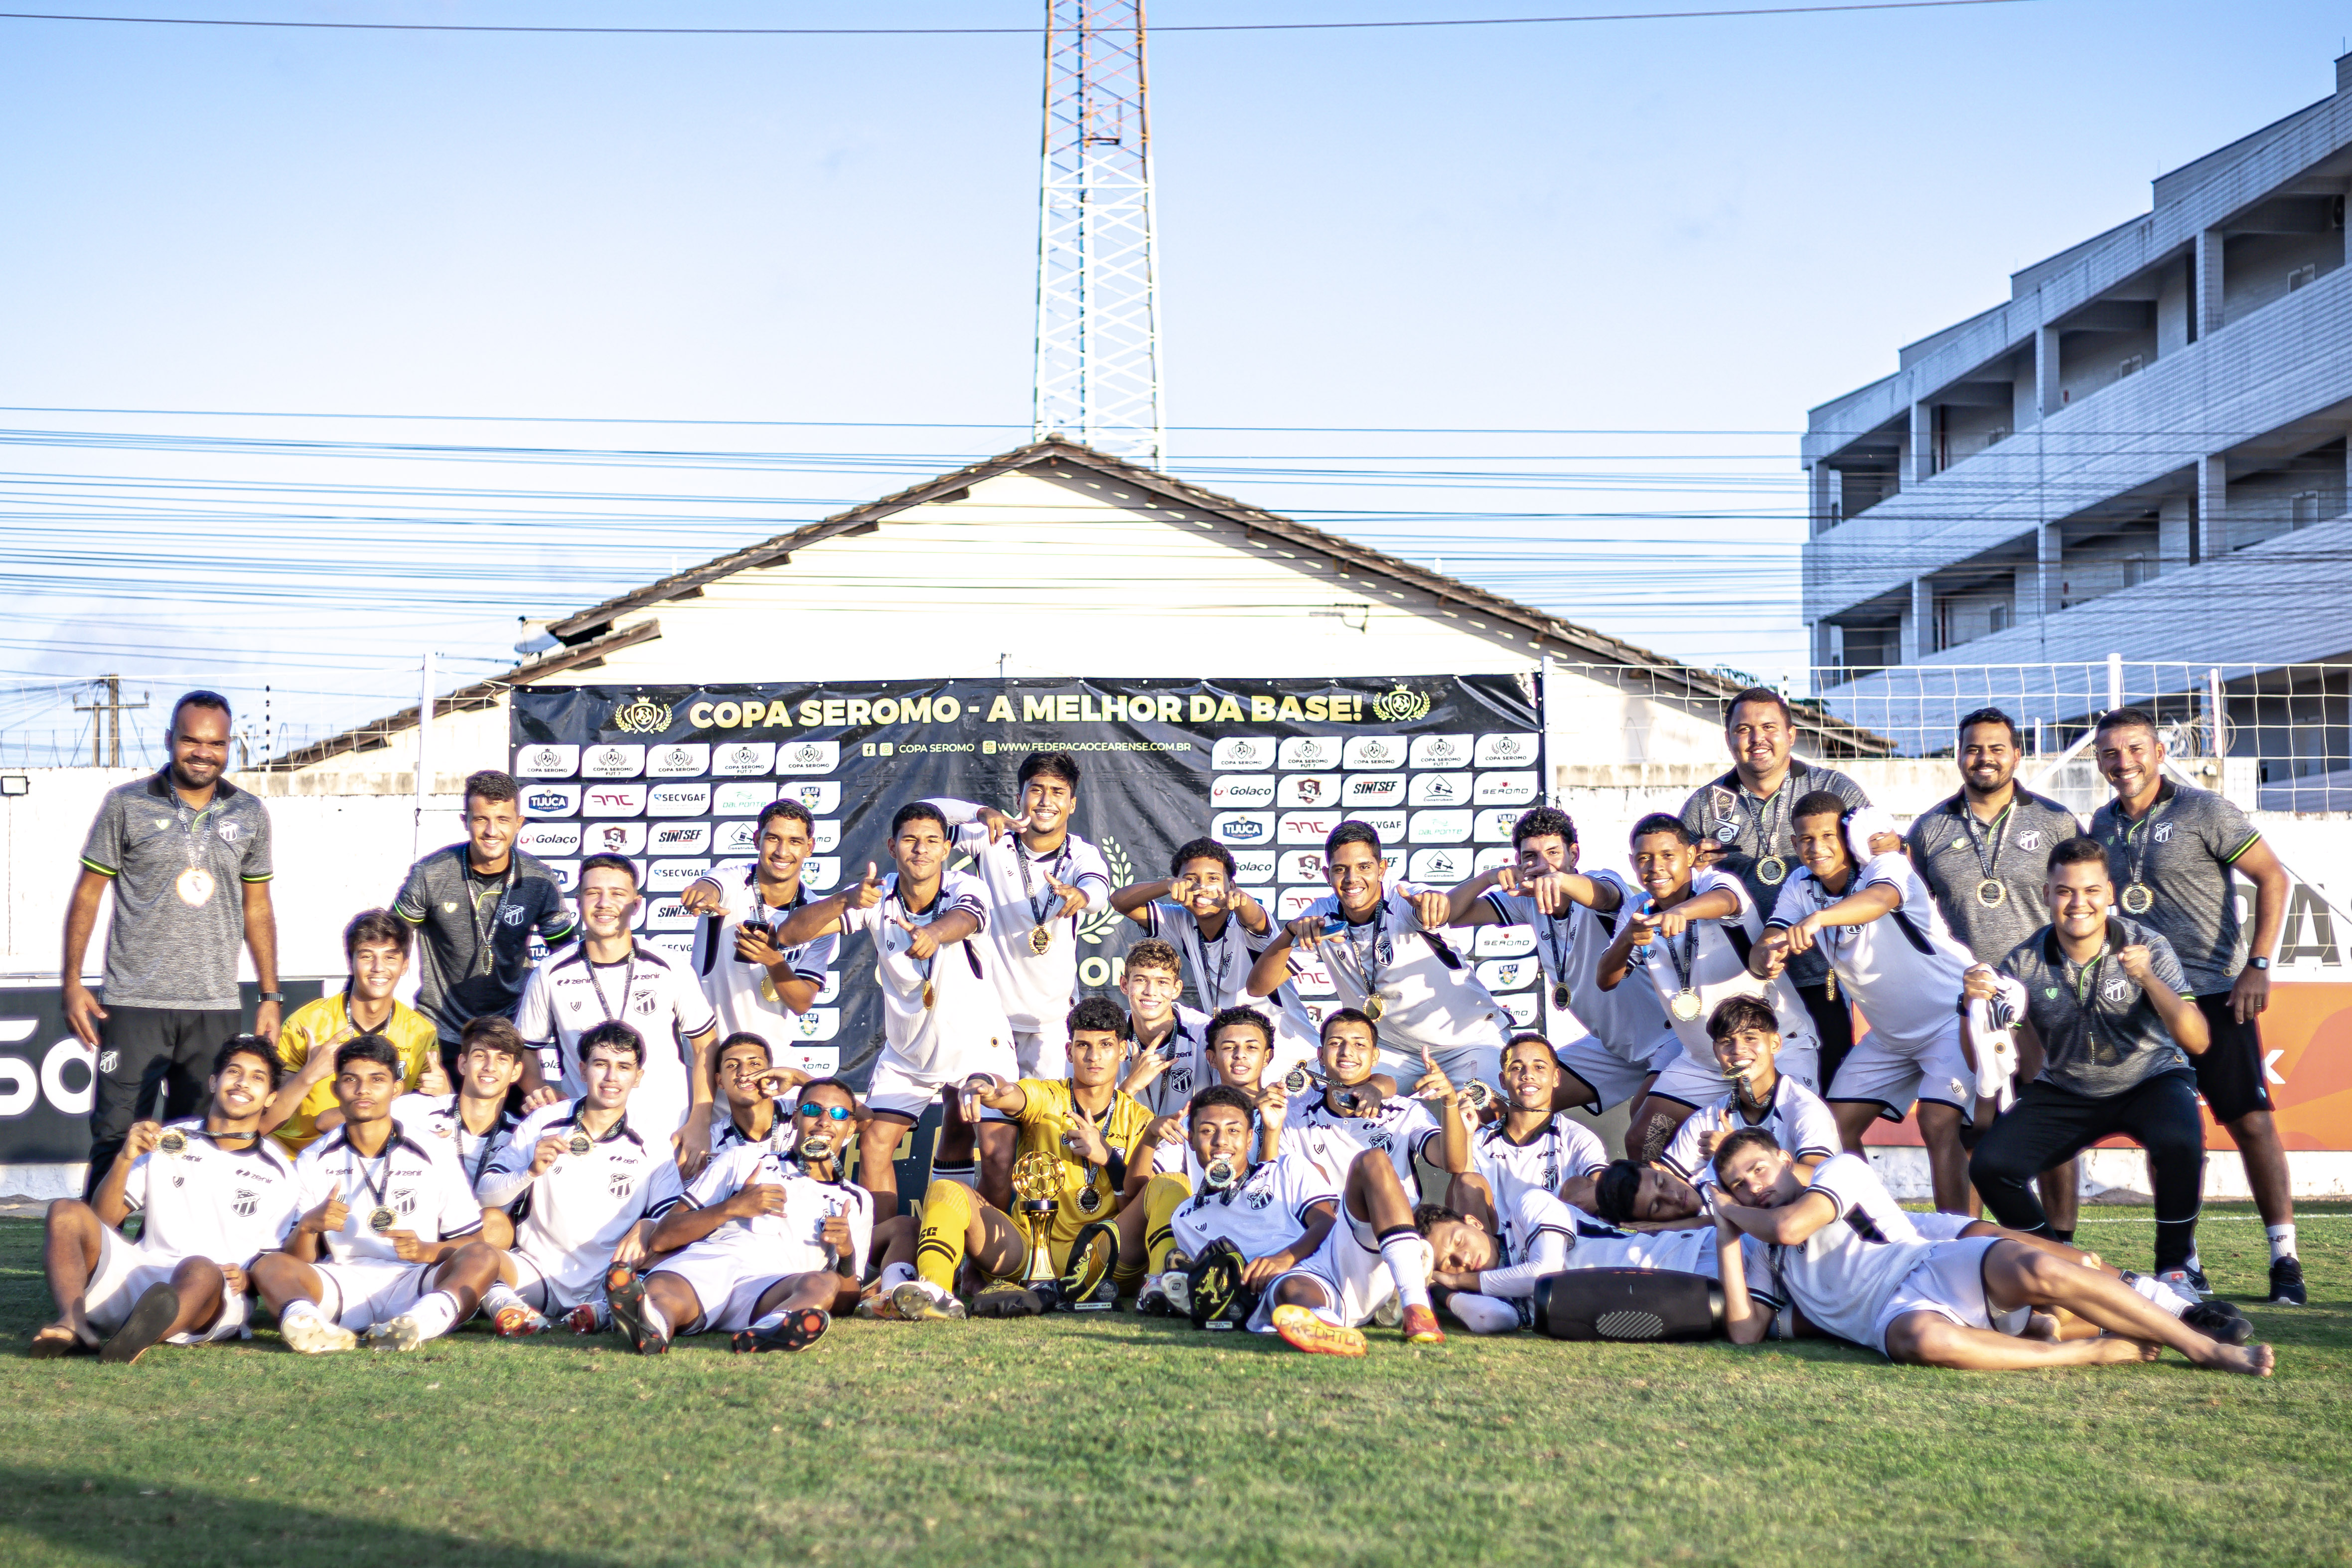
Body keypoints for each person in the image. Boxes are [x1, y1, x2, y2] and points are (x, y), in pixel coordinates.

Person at [1714, 1127, 2270, 1374]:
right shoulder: (1763, 1250)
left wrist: (1726, 1210)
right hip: (1896, 1316)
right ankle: (2083, 1349)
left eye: (1758, 1170)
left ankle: (2199, 1345)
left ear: (1785, 1159)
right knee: (1920, 1341)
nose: (1752, 1186)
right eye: (1738, 1184)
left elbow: (1789, 1226)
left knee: (2035, 1263)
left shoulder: (1837, 1171)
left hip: (1927, 1267)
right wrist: (1725, 1238)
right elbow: (1743, 1332)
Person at [2087, 707, 2301, 1306]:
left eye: (2133, 749)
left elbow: (2272, 878)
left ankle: (2284, 1258)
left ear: (2157, 752)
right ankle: (2185, 1261)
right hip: (2146, 1001)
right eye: (2109, 753)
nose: (2122, 762)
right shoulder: (2099, 824)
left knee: (2250, 1121)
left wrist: (2257, 965)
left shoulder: (2203, 810)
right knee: (2170, 1132)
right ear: (2099, 761)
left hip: (2215, 992)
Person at [1964, 837, 2213, 1294]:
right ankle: (2057, 1262)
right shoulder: (2021, 961)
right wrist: (1972, 1008)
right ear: (2046, 895)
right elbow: (1980, 1054)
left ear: (2111, 893)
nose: (2079, 903)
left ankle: (2177, 1266)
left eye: (2091, 890)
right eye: (2064, 891)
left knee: (2181, 1140)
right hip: (2068, 1088)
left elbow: (2197, 1040)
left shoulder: (2147, 945)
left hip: (2150, 1079)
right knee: (1990, 1165)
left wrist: (2149, 979)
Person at [63, 690, 281, 1195]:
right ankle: (100, 1258)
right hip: (134, 1003)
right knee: (117, 1135)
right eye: (191, 740)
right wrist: (73, 983)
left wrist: (269, 995)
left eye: (216, 743)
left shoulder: (250, 813)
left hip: (213, 1006)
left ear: (229, 747)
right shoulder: (126, 804)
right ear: (170, 740)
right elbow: (88, 896)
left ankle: (187, 1258)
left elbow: (259, 908)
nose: (202, 752)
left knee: (204, 1142)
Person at [769, 802, 1017, 1215]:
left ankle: (985, 1266)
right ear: (892, 846)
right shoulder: (876, 895)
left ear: (945, 849)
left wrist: (934, 934)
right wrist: (843, 901)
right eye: (910, 840)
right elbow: (787, 934)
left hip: (979, 1047)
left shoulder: (965, 886)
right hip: (909, 1055)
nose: (921, 849)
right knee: (875, 1143)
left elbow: (965, 918)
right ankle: (886, 1257)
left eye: (932, 841)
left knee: (996, 1151)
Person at [1905, 709, 2084, 1233]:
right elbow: (1910, 914)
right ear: (1959, 754)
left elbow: (2081, 907)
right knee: (1972, 1126)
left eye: (1995, 748)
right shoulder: (1930, 828)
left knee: (2052, 1124)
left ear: (2016, 755)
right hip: (1969, 998)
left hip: (2044, 992)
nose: (1984, 758)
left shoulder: (2055, 821)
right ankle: (1971, 1245)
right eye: (1973, 748)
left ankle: (2063, 1241)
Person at [1753, 793, 1978, 1212]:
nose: (1816, 847)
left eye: (1826, 835)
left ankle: (1956, 1244)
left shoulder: (1885, 865)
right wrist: (1766, 955)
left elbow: (1879, 901)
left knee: (1937, 1122)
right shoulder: (1799, 884)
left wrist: (1820, 918)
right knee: (1834, 1128)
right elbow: (1769, 938)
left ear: (1847, 835)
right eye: (1805, 839)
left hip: (1952, 1018)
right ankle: (1874, 1224)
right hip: (1891, 1038)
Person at [30, 1035, 299, 1362]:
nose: (243, 1082)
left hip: (211, 1292)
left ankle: (138, 1337)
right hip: (142, 1272)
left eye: (257, 1077)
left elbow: (275, 1260)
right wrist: (125, 1158)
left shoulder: (279, 1170)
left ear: (271, 1097)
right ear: (214, 1081)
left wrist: (250, 1279)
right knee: (65, 1211)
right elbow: (103, 1219)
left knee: (199, 1267)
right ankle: (74, 1324)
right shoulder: (169, 1140)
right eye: (234, 1071)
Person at [1438, 806, 1680, 1156]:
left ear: (1574, 854)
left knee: (1644, 1127)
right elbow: (1449, 914)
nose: (1543, 864)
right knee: (1514, 1105)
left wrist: (1559, 880)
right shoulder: (1527, 901)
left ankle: (1658, 1204)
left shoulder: (1598, 880)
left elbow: (1606, 895)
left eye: (1553, 853)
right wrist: (1490, 877)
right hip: (1612, 1047)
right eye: (1530, 856)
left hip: (1670, 1039)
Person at [898, 998, 1157, 1320]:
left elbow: (1134, 1205)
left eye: (1106, 1045)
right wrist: (986, 1084)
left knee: (1167, 1187)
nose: (1093, 1056)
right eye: (1083, 1045)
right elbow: (1008, 1093)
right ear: (1068, 1051)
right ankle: (934, 1292)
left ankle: (1166, 1285)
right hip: (1027, 1251)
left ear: (1123, 1051)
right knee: (948, 1191)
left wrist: (1107, 1157)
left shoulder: (1139, 1119)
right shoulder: (1046, 1095)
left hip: (1103, 1258)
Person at [249, 1035, 499, 1354]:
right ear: (335, 1089)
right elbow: (297, 1261)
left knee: (484, 1257)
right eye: (351, 1080)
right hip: (342, 1280)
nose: (363, 1090)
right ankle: (309, 1325)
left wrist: (426, 1250)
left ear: (396, 1088)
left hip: (417, 1281)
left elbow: (472, 1243)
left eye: (377, 1080)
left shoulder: (435, 1150)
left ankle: (417, 1325)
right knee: (269, 1266)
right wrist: (309, 1227)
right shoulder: (314, 1157)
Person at [1596, 814, 1820, 1159]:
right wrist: (1627, 938)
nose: (1656, 867)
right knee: (1643, 1140)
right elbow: (1606, 980)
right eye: (1644, 858)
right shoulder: (1637, 909)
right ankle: (1678, 1209)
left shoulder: (1716, 884)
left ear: (1690, 855)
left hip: (1774, 1051)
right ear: (1632, 862)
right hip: (1704, 1060)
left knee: (1780, 1152)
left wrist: (1682, 913)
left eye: (1668, 855)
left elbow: (1726, 901)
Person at [1679, 687, 1870, 1091]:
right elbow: (1681, 886)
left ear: (1791, 733)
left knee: (1829, 1092)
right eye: (1743, 729)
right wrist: (1692, 871)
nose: (1756, 738)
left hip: (1821, 973)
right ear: (1729, 737)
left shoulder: (1835, 788)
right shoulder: (1704, 805)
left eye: (1768, 727)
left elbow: (1872, 862)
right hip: (1739, 977)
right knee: (1747, 1091)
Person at [1247, 820, 1511, 1092]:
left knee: (1484, 1114)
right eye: (1341, 870)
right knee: (1341, 1101)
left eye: (1364, 867)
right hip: (1394, 1053)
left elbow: (1438, 907)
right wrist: (1288, 935)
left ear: (1382, 869)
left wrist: (1439, 899)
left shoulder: (1405, 899)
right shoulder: (1322, 917)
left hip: (1469, 1042)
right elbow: (1258, 988)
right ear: (1327, 875)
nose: (1352, 879)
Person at [622, 1076, 874, 1355]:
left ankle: (774, 1327)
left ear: (851, 1126)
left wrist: (847, 1254)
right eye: (813, 1110)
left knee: (823, 1283)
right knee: (664, 1293)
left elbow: (847, 1303)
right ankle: (653, 1325)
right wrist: (733, 1207)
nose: (825, 1121)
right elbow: (663, 1238)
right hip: (707, 1267)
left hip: (771, 1289)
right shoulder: (742, 1159)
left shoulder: (856, 1199)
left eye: (838, 1114)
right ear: (795, 1119)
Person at [474, 1021, 687, 1337]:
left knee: (671, 1254)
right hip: (537, 1273)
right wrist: (529, 1172)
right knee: (478, 1254)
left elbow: (672, 1219)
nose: (612, 1077)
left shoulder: (652, 1141)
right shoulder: (544, 1121)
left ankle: (600, 1310)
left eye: (624, 1067)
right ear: (583, 1069)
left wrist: (650, 1224)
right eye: (601, 1064)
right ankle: (513, 1306)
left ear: (638, 1077)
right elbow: (485, 1195)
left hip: (612, 1277)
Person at [516, 853, 721, 1173]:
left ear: (636, 905)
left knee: (662, 1222)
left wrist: (699, 1121)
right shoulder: (550, 973)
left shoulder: (670, 967)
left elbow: (706, 1046)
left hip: (666, 1128)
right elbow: (525, 1051)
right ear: (579, 901)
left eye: (617, 894)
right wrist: (540, 1092)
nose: (604, 903)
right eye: (593, 893)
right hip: (585, 1135)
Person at [924, 752, 1113, 1078]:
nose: (1046, 801)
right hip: (991, 1019)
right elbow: (921, 815)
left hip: (1052, 1025)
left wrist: (1081, 895)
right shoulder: (991, 840)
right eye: (1037, 789)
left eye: (1058, 792)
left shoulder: (1083, 854)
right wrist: (978, 812)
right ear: (1019, 798)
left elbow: (1097, 893)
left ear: (1072, 804)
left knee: (1046, 1126)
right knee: (978, 1122)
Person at [392, 768, 576, 1079]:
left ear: (519, 824)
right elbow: (387, 942)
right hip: (441, 1032)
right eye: (481, 819)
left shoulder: (539, 879)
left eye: (503, 820)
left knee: (515, 1125)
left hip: (510, 1032)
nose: (492, 831)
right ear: (465, 822)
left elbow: (568, 960)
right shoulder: (431, 873)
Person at [1417, 1184, 1778, 1341]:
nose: (1463, 1258)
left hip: (1702, 1255)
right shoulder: (1499, 1295)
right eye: (1449, 1263)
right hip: (1694, 1306)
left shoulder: (1529, 1207)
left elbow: (1544, 1272)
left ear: (1474, 1222)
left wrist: (1460, 1282)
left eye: (1458, 1241)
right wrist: (1436, 1288)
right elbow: (1491, 1319)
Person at [1142, 1085, 1339, 1324]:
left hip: (1329, 1268)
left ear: (1249, 1139)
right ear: (1191, 1140)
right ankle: (1320, 1325)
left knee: (1372, 1164)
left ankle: (1334, 1319)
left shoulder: (1288, 1168)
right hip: (1269, 1293)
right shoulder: (1184, 1217)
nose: (1221, 1141)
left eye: (1233, 1130)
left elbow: (1326, 1221)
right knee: (1287, 1286)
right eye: (1207, 1131)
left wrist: (1285, 1258)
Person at [1111, 838, 1319, 1062]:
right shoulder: (1181, 919)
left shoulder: (1244, 919)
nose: (1203, 887)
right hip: (1238, 1058)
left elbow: (1256, 919)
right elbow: (1120, 902)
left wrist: (1240, 901)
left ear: (1231, 886)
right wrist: (1167, 885)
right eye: (1191, 879)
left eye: (1214, 879)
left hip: (1291, 1056)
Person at [265, 909, 443, 1154]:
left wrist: (445, 1095)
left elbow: (430, 1118)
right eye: (367, 956)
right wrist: (309, 1075)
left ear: (405, 966)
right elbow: (265, 1121)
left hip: (378, 1162)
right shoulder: (306, 1023)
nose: (379, 968)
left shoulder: (421, 1033)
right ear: (351, 962)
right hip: (299, 1156)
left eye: (390, 958)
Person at [678, 798, 839, 1046]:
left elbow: (802, 1003)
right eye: (773, 838)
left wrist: (773, 961)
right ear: (757, 840)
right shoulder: (731, 881)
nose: (782, 852)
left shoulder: (818, 916)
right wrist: (701, 895)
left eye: (795, 841)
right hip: (708, 1050)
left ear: (810, 847)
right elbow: (710, 886)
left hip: (771, 1055)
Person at [1652, 997, 1838, 1199]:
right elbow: (1671, 1183)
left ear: (1775, 1043)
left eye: (1750, 1038)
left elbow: (1823, 1178)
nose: (1738, 1050)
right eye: (1727, 1042)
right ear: (1716, 1051)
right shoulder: (1707, 1118)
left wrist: (1735, 1149)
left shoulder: (1803, 1107)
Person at [1276, 1008, 1468, 1202]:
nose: (1347, 1052)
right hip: (1326, 1227)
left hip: (1396, 1227)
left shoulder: (1406, 1112)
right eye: (1335, 1043)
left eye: (1359, 1044)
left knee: (1376, 1159)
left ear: (1375, 1057)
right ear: (1321, 1055)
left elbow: (1453, 1164)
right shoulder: (1294, 1117)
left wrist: (1450, 1103)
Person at [389, 1015, 533, 1250]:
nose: (490, 1066)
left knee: (497, 1225)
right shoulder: (418, 1110)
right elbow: (331, 1122)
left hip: (478, 1244)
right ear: (463, 1064)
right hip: (415, 1232)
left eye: (502, 1059)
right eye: (480, 1055)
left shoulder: (523, 1134)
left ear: (516, 1072)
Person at [1452, 1033, 1610, 1228]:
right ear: (1502, 1080)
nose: (1528, 1075)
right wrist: (1466, 1137)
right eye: (1517, 1068)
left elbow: (1605, 1192)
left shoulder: (1576, 1137)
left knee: (1583, 1186)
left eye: (1539, 1067)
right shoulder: (1478, 1140)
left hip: (1559, 1246)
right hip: (1498, 1251)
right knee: (1467, 1181)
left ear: (1556, 1078)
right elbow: (1458, 1205)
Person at [1112, 939, 1215, 1122]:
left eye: (1162, 982)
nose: (1151, 991)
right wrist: (1130, 1086)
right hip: (1127, 1143)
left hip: (1185, 1143)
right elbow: (1093, 1120)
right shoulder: (1109, 1035)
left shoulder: (1203, 1031)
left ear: (1176, 989)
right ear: (1125, 985)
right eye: (1141, 979)